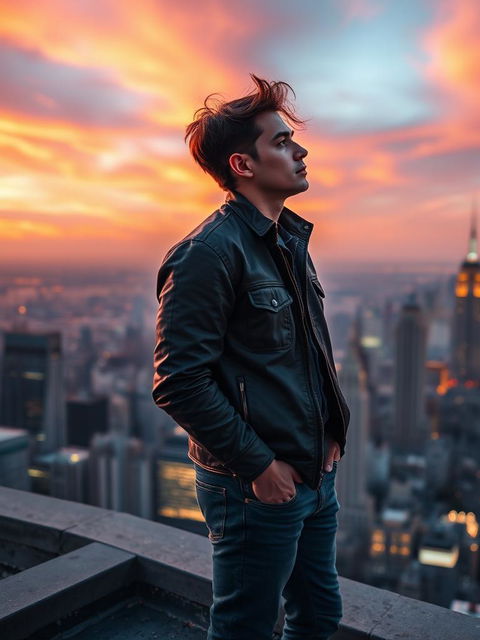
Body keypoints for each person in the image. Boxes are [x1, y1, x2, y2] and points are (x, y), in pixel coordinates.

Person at [152, 74, 350, 640]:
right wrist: (261, 468)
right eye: (282, 141)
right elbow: (178, 382)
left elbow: (301, 355)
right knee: (245, 628)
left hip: (312, 471)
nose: (300, 149)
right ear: (243, 165)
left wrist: (330, 432)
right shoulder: (206, 254)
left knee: (319, 617)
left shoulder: (286, 241)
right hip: (255, 484)